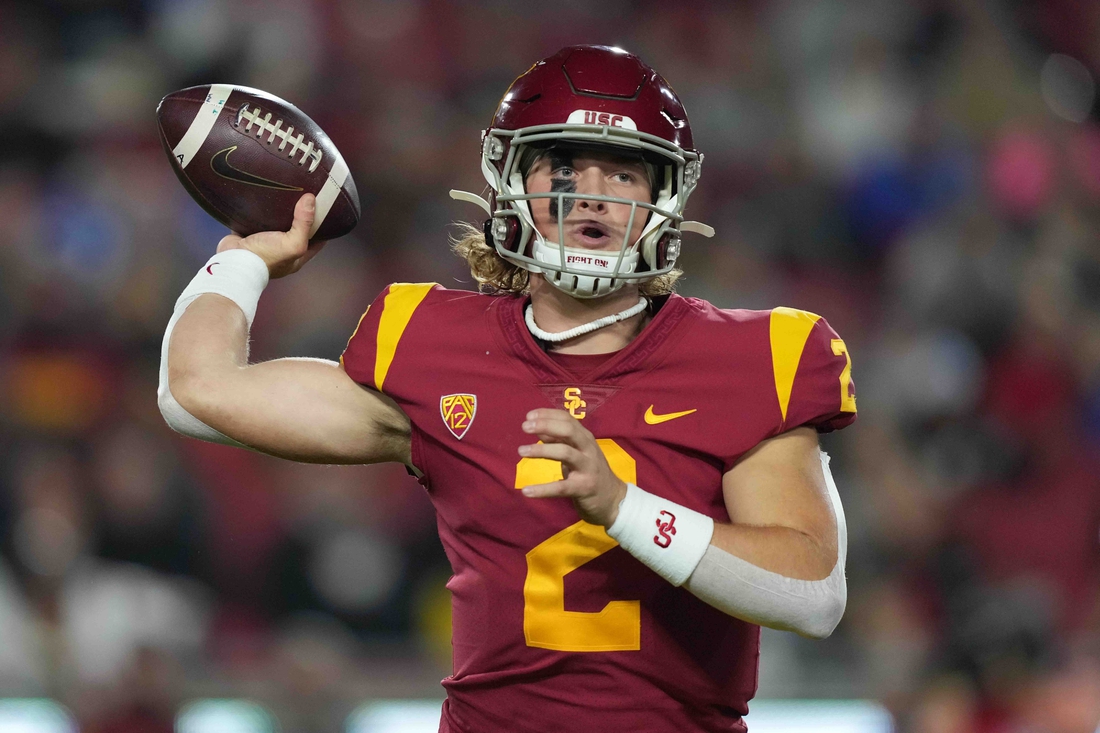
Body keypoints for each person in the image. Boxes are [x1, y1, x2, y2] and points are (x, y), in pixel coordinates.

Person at [159, 45, 857, 733]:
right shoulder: (431, 342)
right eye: (561, 164)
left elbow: (813, 594)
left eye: (623, 172)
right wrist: (245, 260)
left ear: (665, 197)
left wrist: (622, 508)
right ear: (510, 183)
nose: (591, 194)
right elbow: (196, 390)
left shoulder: (755, 356)